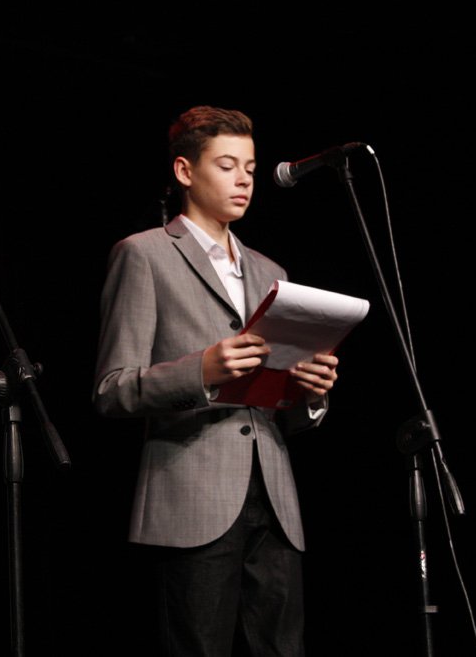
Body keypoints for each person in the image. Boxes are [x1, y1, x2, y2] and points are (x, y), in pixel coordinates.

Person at [93, 106, 340, 656]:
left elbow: (279, 405)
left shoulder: (271, 272)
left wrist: (310, 392)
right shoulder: (144, 254)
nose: (244, 180)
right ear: (185, 171)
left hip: (273, 496)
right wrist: (201, 372)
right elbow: (112, 388)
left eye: (249, 168)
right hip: (192, 493)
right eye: (227, 166)